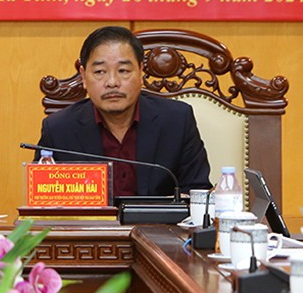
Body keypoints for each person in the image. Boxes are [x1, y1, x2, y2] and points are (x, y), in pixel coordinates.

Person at [36, 26, 211, 198]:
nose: (112, 82)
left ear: (141, 72)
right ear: (83, 76)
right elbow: (43, 200)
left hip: (158, 218)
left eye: (123, 71)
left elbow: (197, 191)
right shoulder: (59, 130)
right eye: (100, 72)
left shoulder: (177, 120)